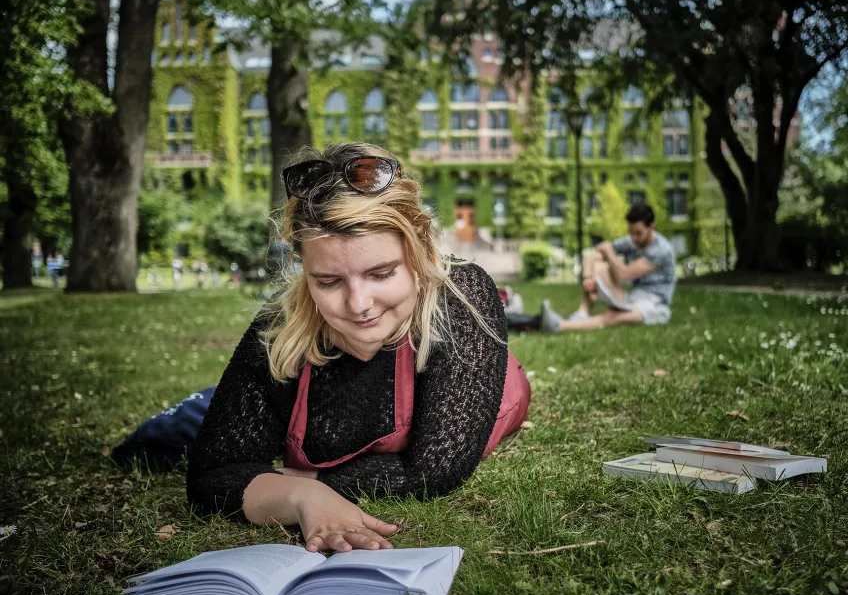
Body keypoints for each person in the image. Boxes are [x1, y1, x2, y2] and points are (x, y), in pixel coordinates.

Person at [185, 142, 531, 554]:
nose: (358, 305)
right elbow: (212, 475)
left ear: (418, 251)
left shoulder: (463, 293)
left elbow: (434, 470)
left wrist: (302, 480)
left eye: (381, 273)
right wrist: (303, 498)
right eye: (328, 282)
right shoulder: (280, 325)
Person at [540, 202, 676, 332]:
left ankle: (559, 326)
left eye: (638, 233)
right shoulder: (632, 241)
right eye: (631, 233)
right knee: (598, 266)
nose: (634, 238)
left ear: (651, 227)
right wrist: (588, 278)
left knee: (612, 316)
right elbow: (591, 256)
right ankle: (582, 313)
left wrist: (610, 253)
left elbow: (624, 276)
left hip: (655, 305)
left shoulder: (661, 250)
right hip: (633, 297)